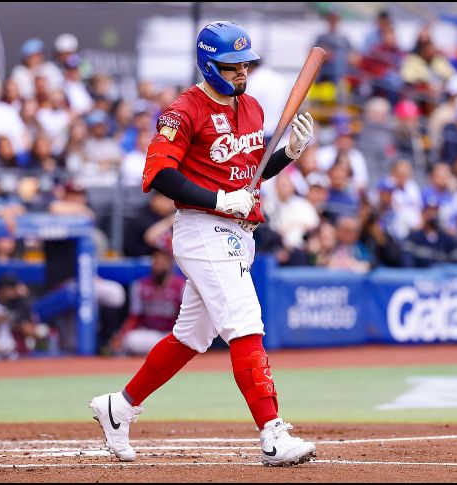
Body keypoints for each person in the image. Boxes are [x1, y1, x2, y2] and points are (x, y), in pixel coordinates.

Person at [89, 21, 317, 467]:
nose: (240, 74)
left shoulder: (250, 107)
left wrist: (286, 155)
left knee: (191, 336)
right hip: (201, 228)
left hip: (238, 231)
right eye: (231, 67)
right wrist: (218, 198)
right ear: (208, 64)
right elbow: (158, 174)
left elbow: (247, 176)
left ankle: (120, 406)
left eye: (244, 65)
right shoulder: (183, 110)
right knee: (246, 322)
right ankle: (272, 432)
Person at [108, 247, 185, 355]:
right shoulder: (140, 286)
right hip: (148, 334)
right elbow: (135, 316)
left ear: (169, 264)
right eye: (155, 260)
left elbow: (185, 317)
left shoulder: (181, 286)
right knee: (130, 340)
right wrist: (122, 335)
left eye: (161, 261)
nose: (157, 265)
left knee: (183, 341)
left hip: (171, 334)